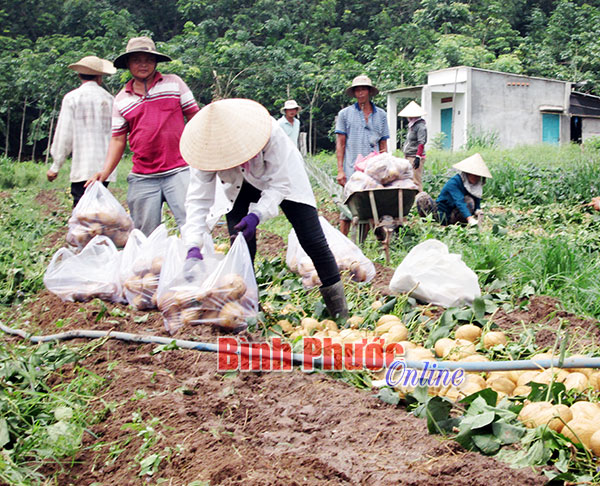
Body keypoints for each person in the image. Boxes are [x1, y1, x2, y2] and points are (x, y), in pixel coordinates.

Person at [179, 98, 348, 318]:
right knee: (240, 244)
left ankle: (340, 312)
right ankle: (246, 312)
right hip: (237, 186)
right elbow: (197, 200)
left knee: (312, 239)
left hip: (282, 179)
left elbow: (279, 184)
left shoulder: (270, 133)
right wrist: (193, 244)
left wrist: (257, 215)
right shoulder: (204, 151)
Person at [87, 36, 199, 236]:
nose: (143, 64)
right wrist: (104, 172)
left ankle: (197, 264)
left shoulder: (174, 84)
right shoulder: (122, 99)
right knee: (144, 234)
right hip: (143, 175)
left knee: (193, 225)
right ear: (128, 64)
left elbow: (194, 117)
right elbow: (118, 139)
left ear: (155, 62)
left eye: (148, 59)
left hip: (179, 169)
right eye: (137, 60)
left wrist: (203, 154)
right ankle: (151, 267)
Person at [48, 56, 117, 207]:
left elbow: (64, 135)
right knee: (100, 207)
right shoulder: (110, 99)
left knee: (81, 209)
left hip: (82, 166)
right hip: (104, 166)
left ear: (79, 75)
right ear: (100, 77)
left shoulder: (72, 98)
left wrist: (55, 166)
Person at [334, 75, 389, 235]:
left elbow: (383, 144)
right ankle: (343, 242)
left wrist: (385, 167)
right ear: (354, 93)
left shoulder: (381, 115)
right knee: (347, 210)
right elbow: (341, 143)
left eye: (363, 89)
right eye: (357, 90)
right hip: (352, 169)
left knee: (370, 205)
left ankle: (364, 243)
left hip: (373, 169)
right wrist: (340, 170)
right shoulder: (345, 114)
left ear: (369, 92)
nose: (360, 93)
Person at [416, 153, 492, 226]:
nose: (477, 178)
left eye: (479, 176)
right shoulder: (454, 182)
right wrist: (470, 219)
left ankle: (458, 224)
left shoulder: (475, 185)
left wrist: (478, 211)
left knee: (470, 201)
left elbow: (476, 199)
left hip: (454, 215)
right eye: (475, 175)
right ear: (468, 173)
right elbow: (459, 201)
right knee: (422, 198)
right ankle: (429, 223)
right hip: (440, 213)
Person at [398, 101, 427, 190]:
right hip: (409, 155)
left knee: (416, 181)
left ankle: (420, 201)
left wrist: (418, 157)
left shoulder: (421, 126)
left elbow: (421, 142)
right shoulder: (412, 126)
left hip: (415, 157)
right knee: (408, 180)